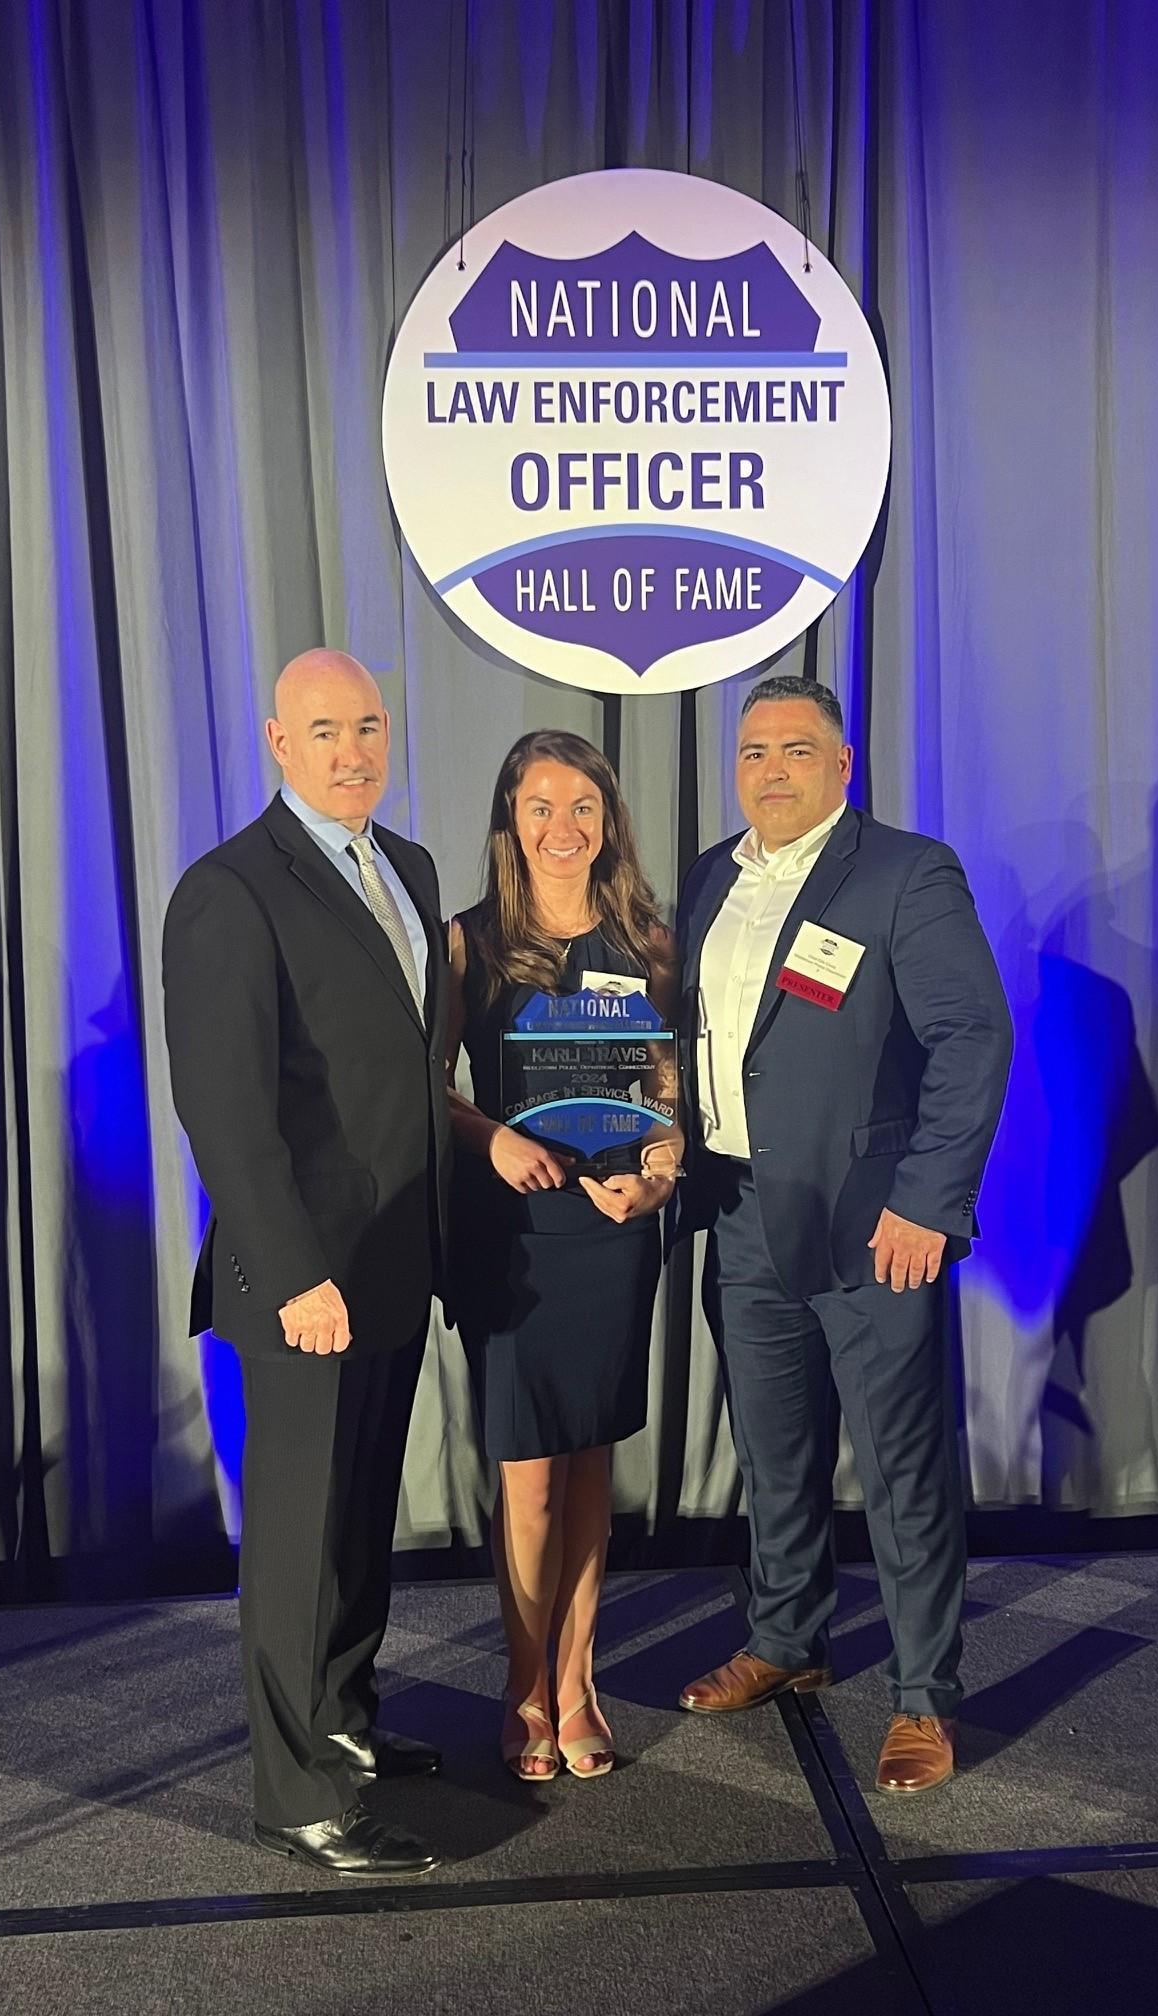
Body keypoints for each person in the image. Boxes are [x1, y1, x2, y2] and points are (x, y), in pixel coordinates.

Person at [673, 675, 1012, 1796]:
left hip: (875, 1229)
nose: (770, 769)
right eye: (754, 751)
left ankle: (925, 1700)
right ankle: (786, 1641)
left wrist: (927, 1199)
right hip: (739, 1214)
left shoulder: (907, 874)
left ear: (842, 764)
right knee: (776, 1455)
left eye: (795, 750)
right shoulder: (711, 876)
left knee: (903, 1468)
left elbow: (973, 1039)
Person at [162, 649, 452, 1876]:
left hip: (392, 1263)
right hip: (303, 1286)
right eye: (324, 729)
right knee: (293, 1542)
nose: (353, 750)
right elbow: (224, 1112)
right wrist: (293, 1274)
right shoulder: (230, 889)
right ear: (278, 743)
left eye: (370, 725)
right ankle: (298, 1797)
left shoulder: (412, 866)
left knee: (358, 1525)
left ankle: (346, 1721)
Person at [447, 729, 679, 1781]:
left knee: (592, 1467)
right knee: (531, 1482)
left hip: (618, 1230)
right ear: (509, 821)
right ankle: (523, 1682)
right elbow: (421, 1085)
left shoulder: (650, 942)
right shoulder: (468, 944)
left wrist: (665, 1175)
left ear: (608, 822)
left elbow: (672, 1099)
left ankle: (577, 1681)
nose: (562, 827)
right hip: (517, 1240)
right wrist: (487, 1135)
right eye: (540, 806)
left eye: (583, 806)